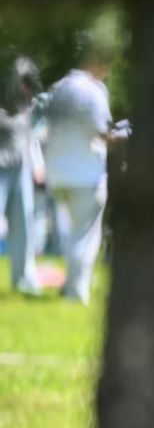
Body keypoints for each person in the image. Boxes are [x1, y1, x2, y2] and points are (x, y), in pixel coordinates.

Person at [43, 45, 124, 304]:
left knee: (71, 233)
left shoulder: (59, 87)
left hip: (56, 171)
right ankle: (76, 292)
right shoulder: (93, 90)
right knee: (85, 236)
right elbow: (102, 132)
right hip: (85, 173)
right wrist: (124, 134)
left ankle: (70, 284)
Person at [0, 55, 43, 296]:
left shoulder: (27, 109)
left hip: (22, 169)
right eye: (23, 84)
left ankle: (24, 278)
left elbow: (31, 139)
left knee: (23, 225)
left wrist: (37, 165)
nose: (26, 90)